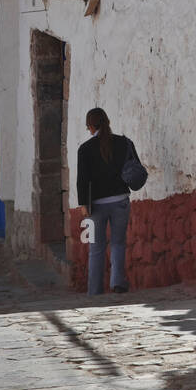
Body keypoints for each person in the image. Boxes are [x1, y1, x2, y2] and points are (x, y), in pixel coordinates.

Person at [76, 108, 138, 296]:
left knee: (96, 248)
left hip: (96, 206)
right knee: (118, 242)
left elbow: (82, 180)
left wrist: (83, 205)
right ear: (108, 121)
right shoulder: (124, 143)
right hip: (120, 201)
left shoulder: (85, 149)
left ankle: (94, 290)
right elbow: (134, 167)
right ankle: (117, 282)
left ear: (90, 126)